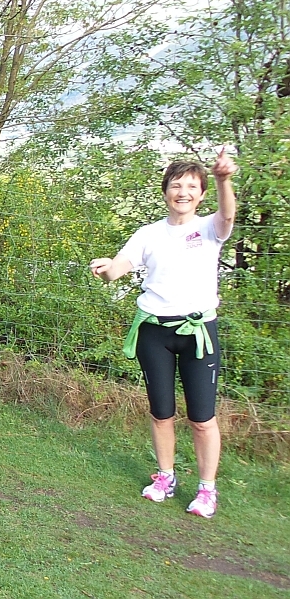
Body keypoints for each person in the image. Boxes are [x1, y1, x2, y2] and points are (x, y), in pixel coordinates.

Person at [89, 148, 237, 518]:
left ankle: (206, 490)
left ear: (201, 193)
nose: (183, 191)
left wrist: (223, 179)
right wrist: (106, 269)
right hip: (154, 331)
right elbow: (119, 268)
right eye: (176, 185)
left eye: (191, 185)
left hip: (198, 331)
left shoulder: (208, 228)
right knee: (161, 413)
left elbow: (228, 215)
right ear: (166, 192)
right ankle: (165, 477)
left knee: (202, 418)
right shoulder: (148, 234)